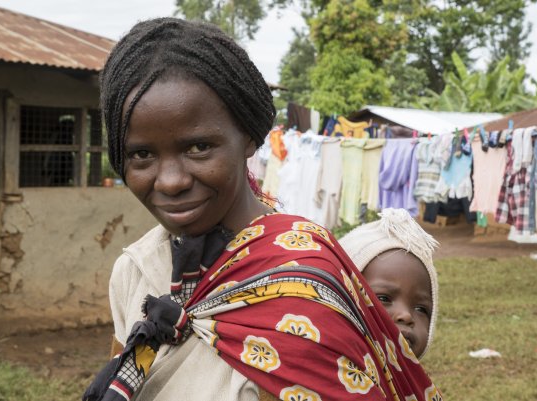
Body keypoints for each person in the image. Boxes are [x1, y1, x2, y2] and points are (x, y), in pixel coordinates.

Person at [83, 18, 441, 401]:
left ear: (250, 136)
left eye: (199, 147)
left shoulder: (307, 288)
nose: (170, 181)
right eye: (142, 154)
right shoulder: (135, 269)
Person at [339, 208, 439, 359]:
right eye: (383, 299)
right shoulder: (314, 379)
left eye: (421, 309)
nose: (406, 316)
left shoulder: (415, 383)